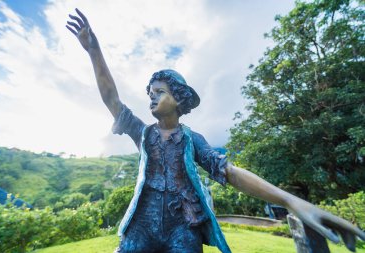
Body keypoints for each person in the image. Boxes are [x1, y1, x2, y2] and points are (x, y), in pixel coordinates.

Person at [66, 9, 365, 253]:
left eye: (160, 91)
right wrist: (94, 50)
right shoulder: (143, 133)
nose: (152, 97)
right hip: (140, 227)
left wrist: (290, 200)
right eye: (150, 93)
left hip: (182, 229)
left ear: (178, 99)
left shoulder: (193, 140)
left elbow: (230, 173)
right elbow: (112, 100)